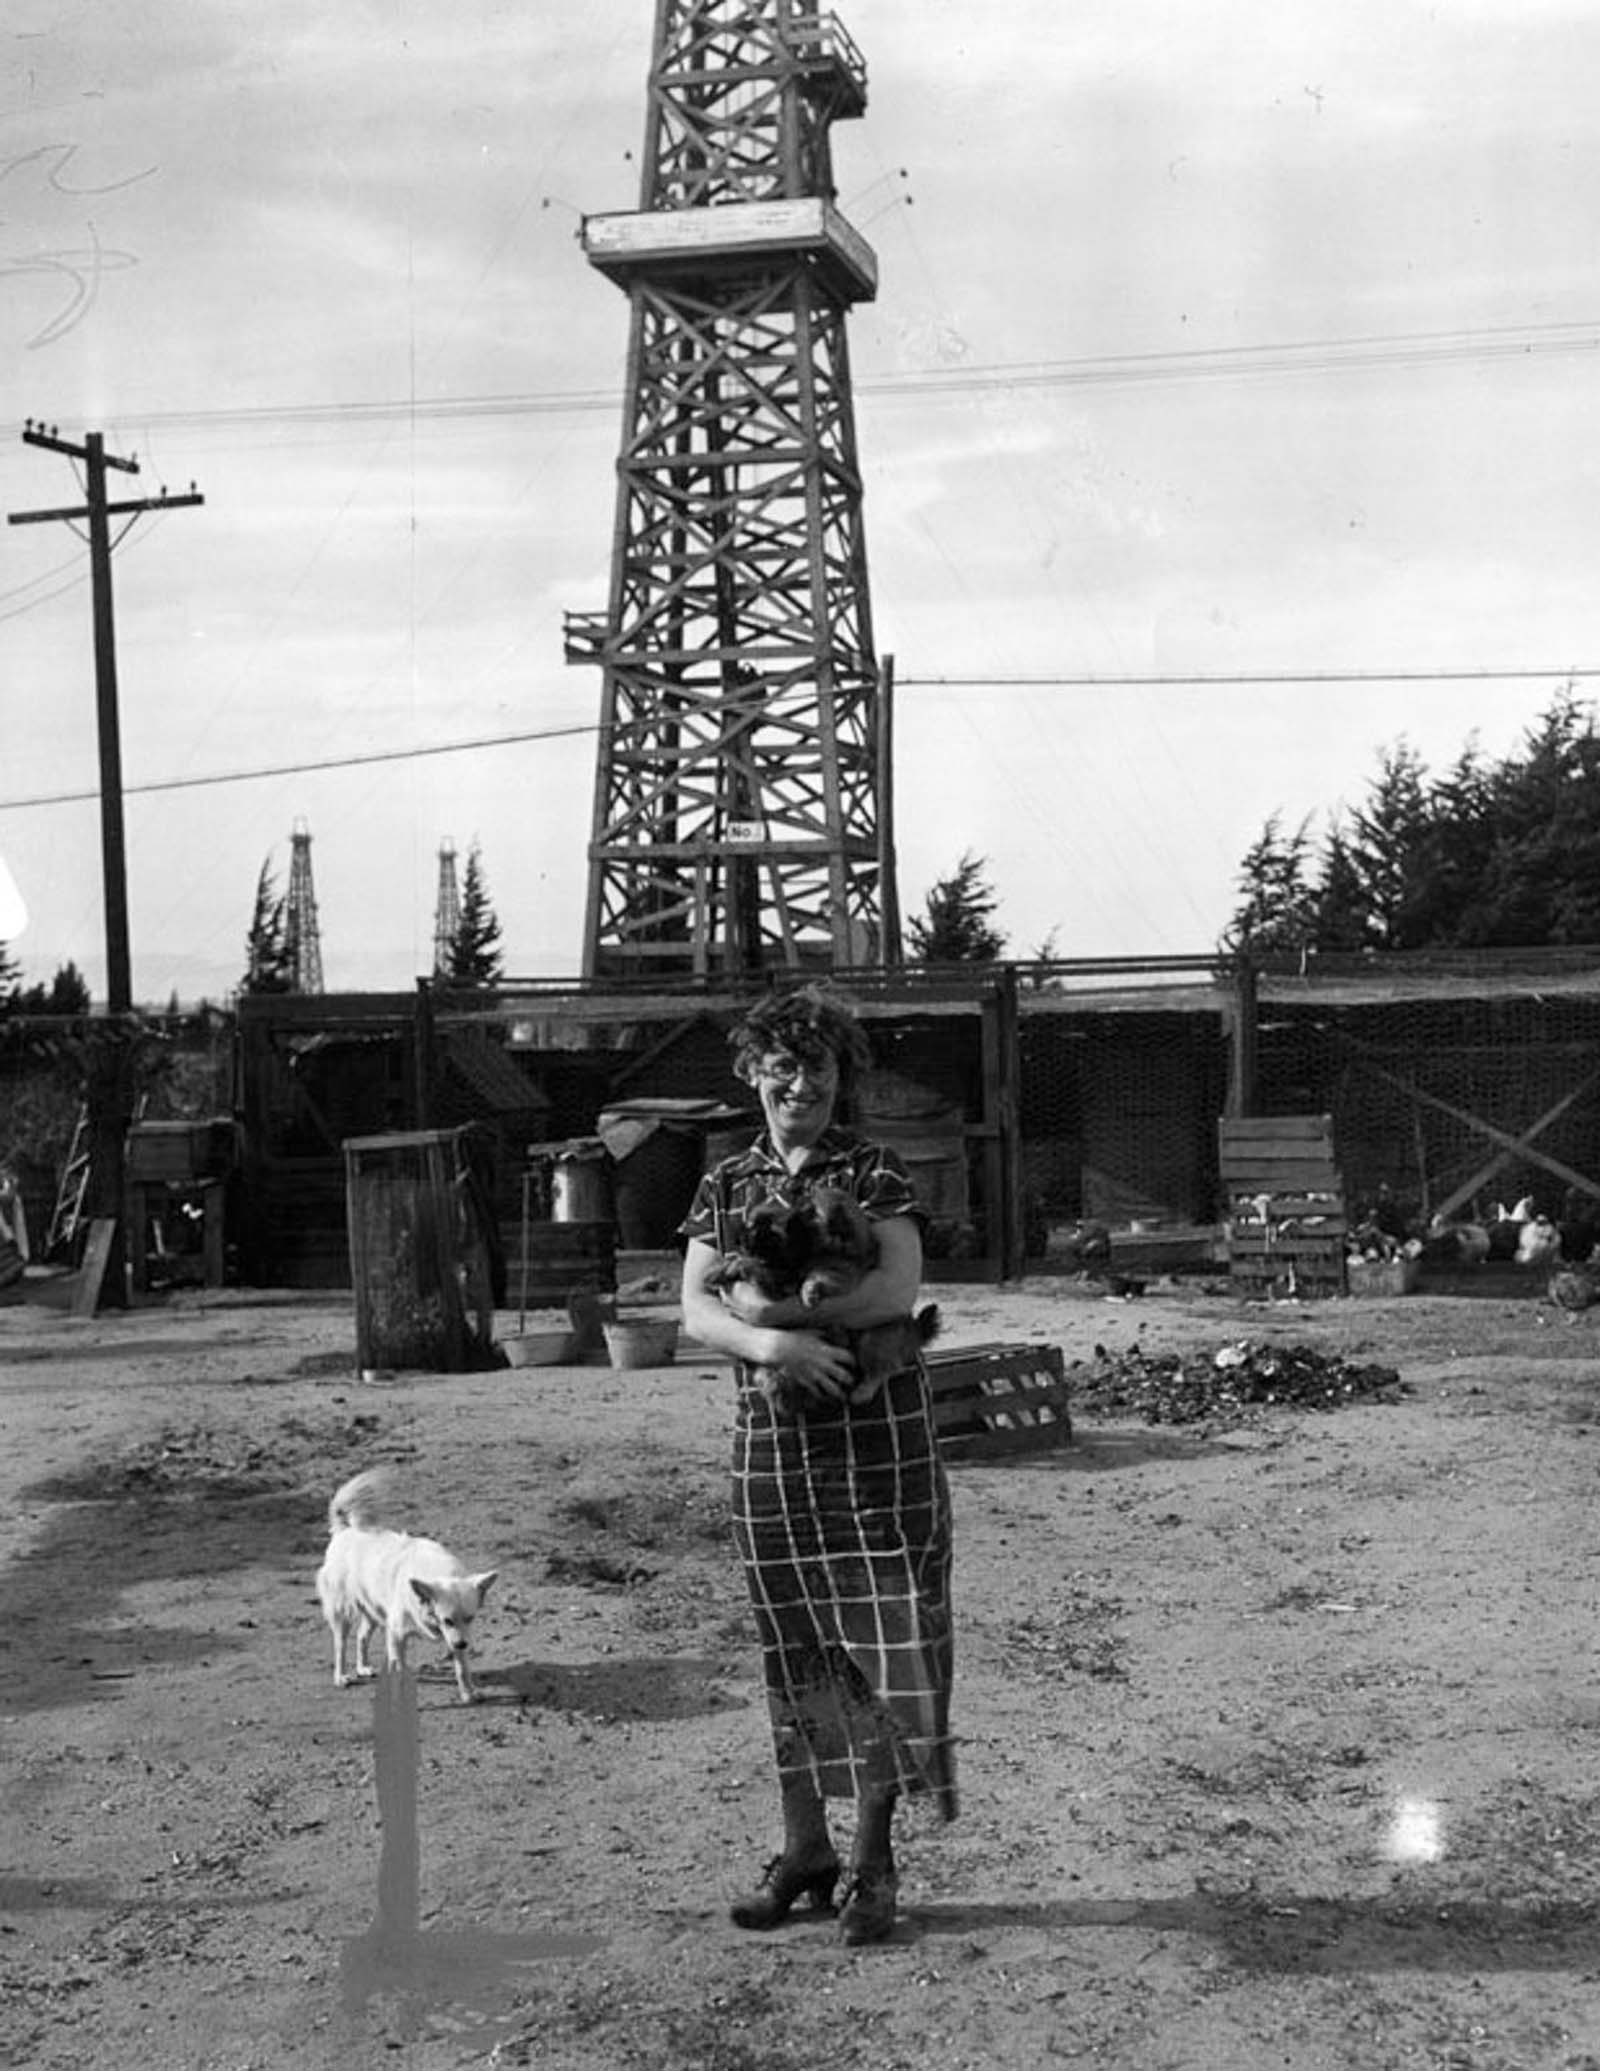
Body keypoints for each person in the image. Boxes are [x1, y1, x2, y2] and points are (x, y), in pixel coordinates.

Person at [679, 984, 957, 1947]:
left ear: (843, 1077)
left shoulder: (876, 1170)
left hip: (881, 1441)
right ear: (754, 1072)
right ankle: (806, 1849)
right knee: (790, 1646)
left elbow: (900, 1284)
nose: (801, 1083)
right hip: (775, 1442)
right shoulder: (724, 1181)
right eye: (783, 1066)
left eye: (820, 1067)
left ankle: (874, 1861)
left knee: (885, 1646)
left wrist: (777, 1317)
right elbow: (695, 1310)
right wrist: (770, 1349)